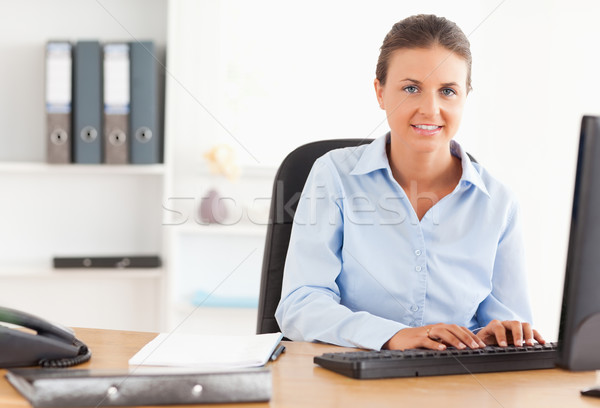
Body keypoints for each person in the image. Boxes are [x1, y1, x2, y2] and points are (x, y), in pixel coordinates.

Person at [274, 14, 546, 351]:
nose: (430, 109)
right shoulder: (334, 175)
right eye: (411, 88)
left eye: (448, 91)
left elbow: (507, 321)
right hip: (349, 382)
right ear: (380, 92)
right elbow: (301, 304)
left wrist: (500, 336)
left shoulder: (499, 203)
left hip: (456, 384)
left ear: (464, 97)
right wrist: (392, 335)